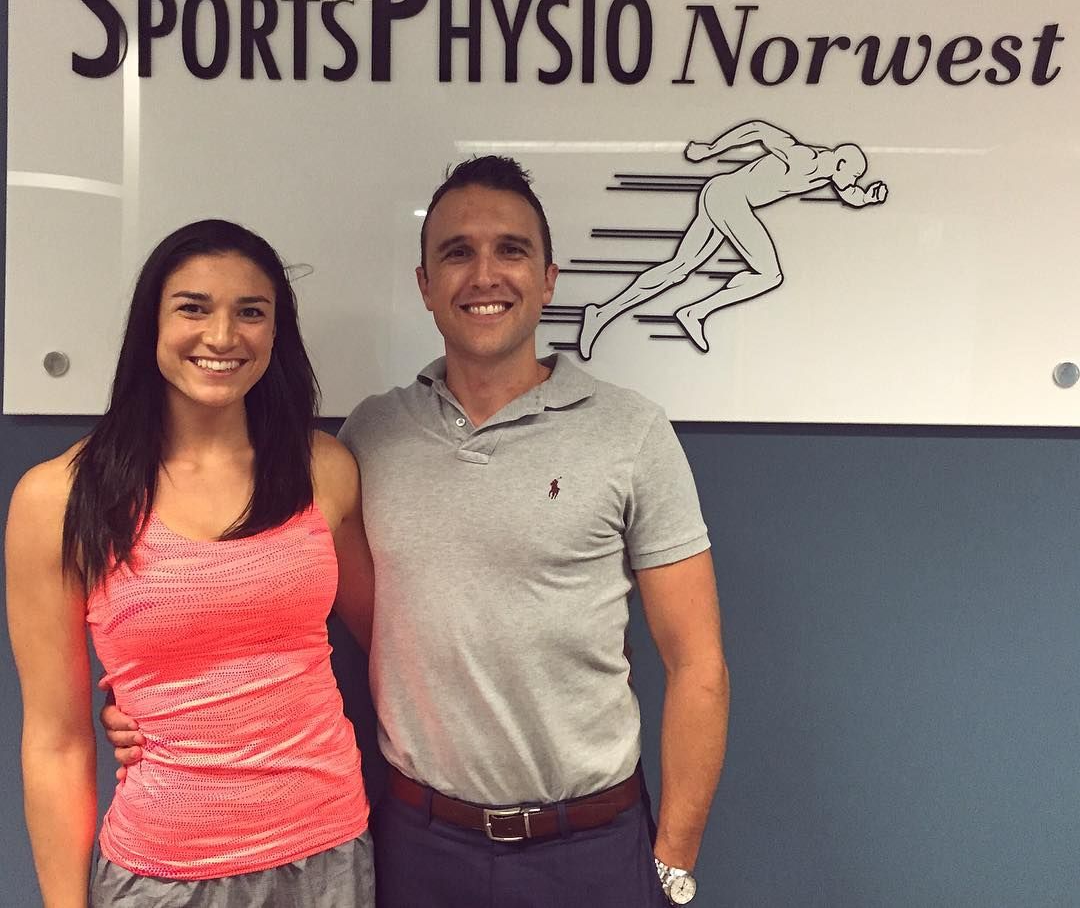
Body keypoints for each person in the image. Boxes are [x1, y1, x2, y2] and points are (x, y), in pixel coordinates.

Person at [106, 159, 729, 906]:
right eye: (457, 253)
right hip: (418, 843)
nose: (485, 274)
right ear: (425, 285)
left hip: (589, 843)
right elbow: (320, 614)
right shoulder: (370, 437)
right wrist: (154, 706)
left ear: (549, 278)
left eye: (511, 250)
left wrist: (674, 861)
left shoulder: (631, 432)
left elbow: (697, 664)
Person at [6, 220, 375, 907]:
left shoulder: (324, 470)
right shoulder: (57, 499)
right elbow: (55, 743)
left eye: (250, 312)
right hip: (161, 875)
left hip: (328, 854)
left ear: (277, 332)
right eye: (193, 308)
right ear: (152, 322)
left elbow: (395, 644)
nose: (222, 335)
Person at [578, 119, 889, 358]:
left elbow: (849, 194)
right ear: (840, 164)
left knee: (679, 268)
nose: (852, 182)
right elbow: (758, 129)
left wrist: (867, 198)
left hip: (722, 195)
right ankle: (695, 312)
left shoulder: (827, 173)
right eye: (853, 175)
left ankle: (600, 314)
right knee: (770, 274)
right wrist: (711, 149)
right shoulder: (803, 157)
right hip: (729, 197)